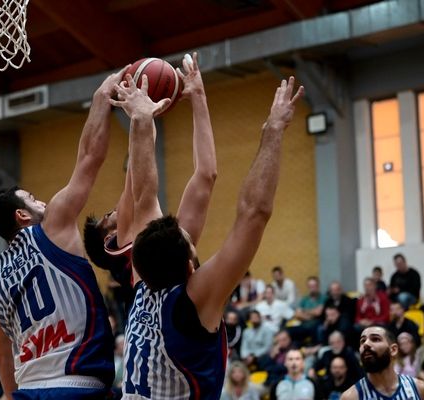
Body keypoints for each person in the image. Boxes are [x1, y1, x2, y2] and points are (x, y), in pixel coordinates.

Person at [112, 73, 303, 398]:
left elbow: (145, 194)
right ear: (190, 266)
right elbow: (253, 213)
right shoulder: (194, 302)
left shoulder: (143, 278)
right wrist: (273, 129)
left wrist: (142, 119)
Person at [0, 66, 127, 399]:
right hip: (77, 385)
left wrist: (12, 395)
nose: (43, 202)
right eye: (33, 199)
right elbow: (90, 157)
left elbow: (2, 353)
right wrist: (101, 98)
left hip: (28, 390)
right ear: (22, 215)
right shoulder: (52, 226)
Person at [83, 52, 217, 312]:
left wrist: (198, 97)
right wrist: (142, 113)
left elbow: (206, 175)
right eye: (109, 216)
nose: (115, 209)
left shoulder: (171, 244)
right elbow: (139, 180)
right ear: (110, 238)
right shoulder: (125, 245)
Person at [340, 326, 424, 400]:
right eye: (362, 341)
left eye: (375, 339)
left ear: (393, 350)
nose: (366, 344)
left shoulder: (419, 389)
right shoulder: (350, 397)